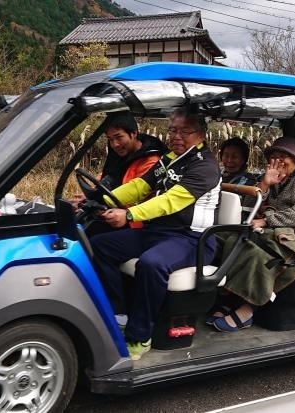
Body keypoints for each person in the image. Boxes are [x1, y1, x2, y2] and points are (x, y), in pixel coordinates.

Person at [90, 108, 221, 360]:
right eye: (172, 130)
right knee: (99, 245)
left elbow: (171, 201)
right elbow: (141, 186)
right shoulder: (170, 159)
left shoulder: (205, 167)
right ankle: (119, 314)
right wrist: (102, 200)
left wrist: (128, 215)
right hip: (160, 232)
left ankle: (140, 336)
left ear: (201, 135)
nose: (176, 136)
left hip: (192, 238)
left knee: (152, 263)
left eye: (185, 131)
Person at [209, 137, 295, 332]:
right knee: (229, 239)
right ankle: (232, 297)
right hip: (269, 232)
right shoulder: (270, 176)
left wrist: (267, 218)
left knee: (256, 252)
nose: (278, 162)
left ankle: (248, 309)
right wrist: (265, 184)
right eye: (274, 157)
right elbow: (248, 205)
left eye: (284, 157)